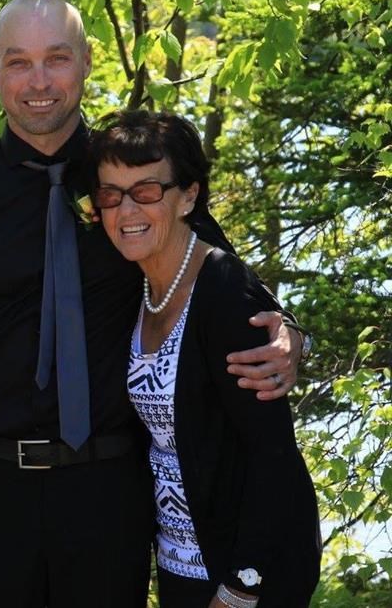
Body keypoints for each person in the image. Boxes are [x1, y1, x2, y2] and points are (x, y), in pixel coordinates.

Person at [0, 0, 307, 608]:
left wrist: (292, 334)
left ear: (86, 62)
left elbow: (221, 272)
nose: (39, 82)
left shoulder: (132, 178)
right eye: (18, 62)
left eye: (56, 59)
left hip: (110, 492)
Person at [90, 110, 320, 607]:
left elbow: (273, 455)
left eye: (147, 191)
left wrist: (241, 586)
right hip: (180, 566)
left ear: (188, 196)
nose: (127, 210)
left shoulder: (221, 290)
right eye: (111, 194)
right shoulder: (136, 285)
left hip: (244, 576)